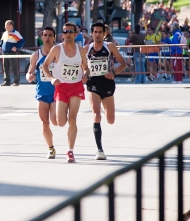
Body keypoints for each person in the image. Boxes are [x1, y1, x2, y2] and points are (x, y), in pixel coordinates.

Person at [41, 22, 89, 163]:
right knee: (60, 122)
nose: (68, 34)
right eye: (65, 32)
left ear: (75, 34)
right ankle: (67, 134)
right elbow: (44, 65)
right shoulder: (57, 49)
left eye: (70, 32)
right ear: (62, 35)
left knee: (72, 119)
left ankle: (70, 151)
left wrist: (85, 74)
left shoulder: (81, 51)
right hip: (61, 87)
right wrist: (51, 78)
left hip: (76, 86)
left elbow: (85, 67)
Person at [85, 22, 127, 160]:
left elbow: (123, 64)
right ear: (92, 33)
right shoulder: (87, 49)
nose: (97, 34)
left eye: (99, 32)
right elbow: (83, 66)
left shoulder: (109, 47)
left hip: (107, 84)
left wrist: (113, 72)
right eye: (95, 32)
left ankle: (104, 106)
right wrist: (85, 74)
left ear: (104, 34)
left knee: (110, 120)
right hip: (93, 85)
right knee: (96, 115)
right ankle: (100, 150)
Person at [26, 26, 58, 159]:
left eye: (50, 35)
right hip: (42, 93)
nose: (47, 37)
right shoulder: (36, 55)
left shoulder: (59, 53)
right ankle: (51, 148)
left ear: (54, 37)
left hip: (57, 92)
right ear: (41, 37)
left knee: (55, 121)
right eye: (45, 35)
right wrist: (30, 77)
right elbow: (29, 72)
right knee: (45, 123)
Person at [0, 20, 25, 86]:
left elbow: (22, 41)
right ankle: (7, 81)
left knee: (14, 67)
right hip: (4, 52)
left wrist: (16, 47)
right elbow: (2, 41)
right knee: (5, 67)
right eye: (5, 25)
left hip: (12, 52)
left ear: (11, 25)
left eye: (7, 25)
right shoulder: (5, 33)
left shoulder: (16, 33)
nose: (5, 27)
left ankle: (16, 81)